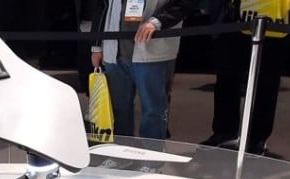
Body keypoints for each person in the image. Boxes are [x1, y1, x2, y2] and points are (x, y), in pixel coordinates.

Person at [90, 0, 196, 139]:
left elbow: (185, 3)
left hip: (153, 52)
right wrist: (96, 46)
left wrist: (157, 21)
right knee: (118, 110)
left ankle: (152, 158)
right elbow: (101, 6)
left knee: (154, 111)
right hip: (114, 52)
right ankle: (122, 157)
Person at [202, 0, 290, 155]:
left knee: (267, 80)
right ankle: (225, 132)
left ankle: (257, 139)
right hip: (233, 16)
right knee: (226, 77)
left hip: (273, 18)